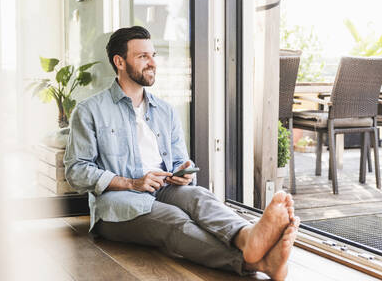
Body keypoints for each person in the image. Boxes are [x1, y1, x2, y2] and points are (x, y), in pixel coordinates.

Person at [64, 26, 300, 280]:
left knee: (199, 197)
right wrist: (132, 182)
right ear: (119, 62)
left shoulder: (165, 111)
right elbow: (76, 170)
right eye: (143, 56)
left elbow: (179, 160)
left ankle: (248, 237)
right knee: (174, 219)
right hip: (117, 204)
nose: (152, 62)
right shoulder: (89, 111)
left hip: (164, 188)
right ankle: (255, 263)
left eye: (153, 55)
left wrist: (182, 173)